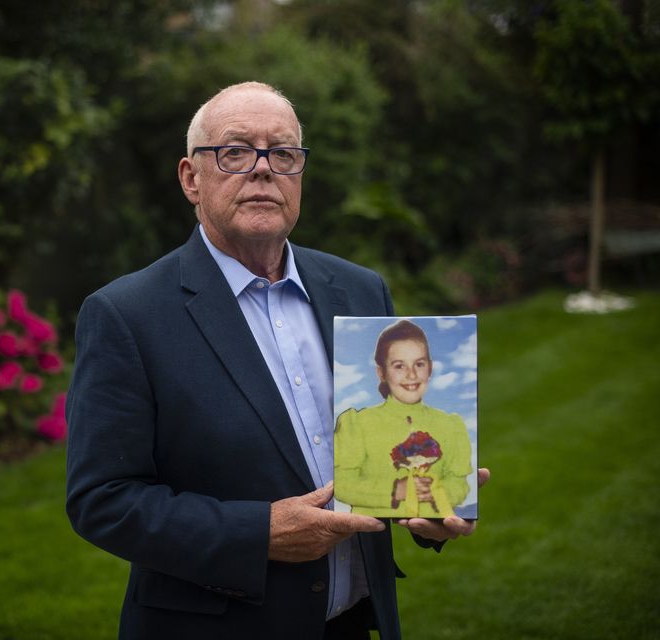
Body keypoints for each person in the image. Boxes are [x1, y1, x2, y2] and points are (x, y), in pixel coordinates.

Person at [66, 82, 488, 640]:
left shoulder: (359, 290)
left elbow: (385, 450)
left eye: (283, 153)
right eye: (236, 151)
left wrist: (427, 511)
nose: (263, 169)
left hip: (357, 624)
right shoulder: (127, 314)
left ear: (299, 176)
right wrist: (258, 532)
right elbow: (103, 500)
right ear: (192, 178)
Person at [334, 320, 474, 519]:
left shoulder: (450, 425)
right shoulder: (357, 423)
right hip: (370, 536)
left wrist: (437, 491)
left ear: (430, 368)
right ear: (381, 373)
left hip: (433, 525)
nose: (412, 374)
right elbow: (343, 485)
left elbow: (459, 483)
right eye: (399, 366)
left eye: (419, 364)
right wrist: (396, 490)